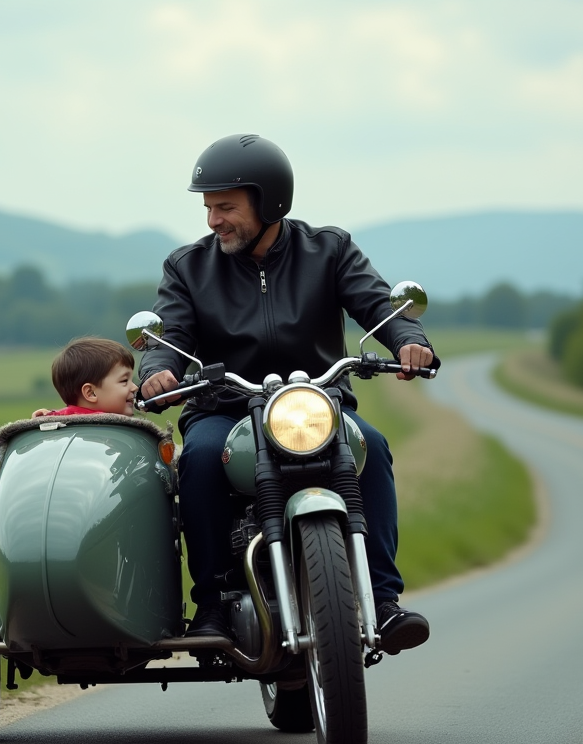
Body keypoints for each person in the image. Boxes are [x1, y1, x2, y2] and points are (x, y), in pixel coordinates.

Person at [139, 133, 437, 657]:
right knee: (202, 459)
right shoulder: (187, 267)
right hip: (226, 406)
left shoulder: (329, 249)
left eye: (226, 207)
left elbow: (374, 303)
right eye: (208, 208)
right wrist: (159, 371)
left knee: (373, 448)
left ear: (268, 200)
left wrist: (409, 340)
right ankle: (211, 604)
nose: (213, 220)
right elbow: (174, 335)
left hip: (317, 405)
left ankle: (384, 601)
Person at [32, 336, 139, 417]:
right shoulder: (64, 423)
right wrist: (45, 418)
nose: (135, 387)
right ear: (91, 393)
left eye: (132, 380)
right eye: (124, 381)